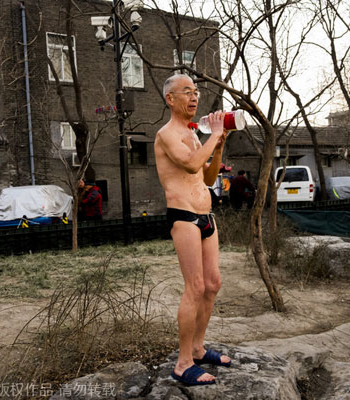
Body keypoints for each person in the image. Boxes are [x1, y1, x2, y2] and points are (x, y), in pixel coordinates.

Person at [154, 74, 231, 386]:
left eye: (196, 91)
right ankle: (183, 363)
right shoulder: (166, 134)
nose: (194, 96)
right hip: (184, 217)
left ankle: (198, 349)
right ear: (170, 99)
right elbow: (188, 165)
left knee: (213, 284)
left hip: (206, 215)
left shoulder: (194, 135)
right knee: (195, 287)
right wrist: (213, 135)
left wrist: (219, 145)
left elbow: (208, 176)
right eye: (186, 92)